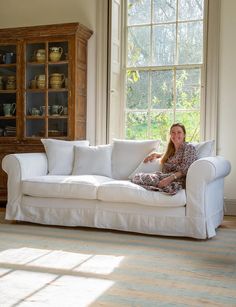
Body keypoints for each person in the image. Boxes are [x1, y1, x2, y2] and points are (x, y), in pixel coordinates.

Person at [131, 123, 197, 195]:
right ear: (170, 135)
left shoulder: (189, 147)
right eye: (173, 132)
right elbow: (170, 157)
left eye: (179, 132)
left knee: (138, 177)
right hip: (163, 177)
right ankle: (158, 186)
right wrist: (156, 155)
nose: (175, 135)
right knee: (137, 177)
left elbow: (185, 169)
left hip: (175, 180)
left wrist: (167, 180)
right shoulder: (171, 151)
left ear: (184, 135)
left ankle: (162, 186)